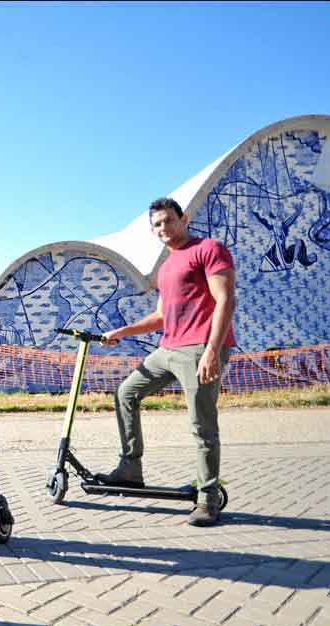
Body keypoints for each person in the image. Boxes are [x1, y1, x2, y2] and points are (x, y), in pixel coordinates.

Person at [98, 197, 236, 527]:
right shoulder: (167, 266)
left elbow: (226, 299)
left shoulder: (209, 249)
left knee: (202, 424)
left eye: (168, 221)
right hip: (169, 348)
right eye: (157, 225)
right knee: (126, 393)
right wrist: (124, 330)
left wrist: (212, 351)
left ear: (183, 218)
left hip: (200, 348)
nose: (163, 228)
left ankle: (207, 498)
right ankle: (130, 468)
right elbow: (162, 315)